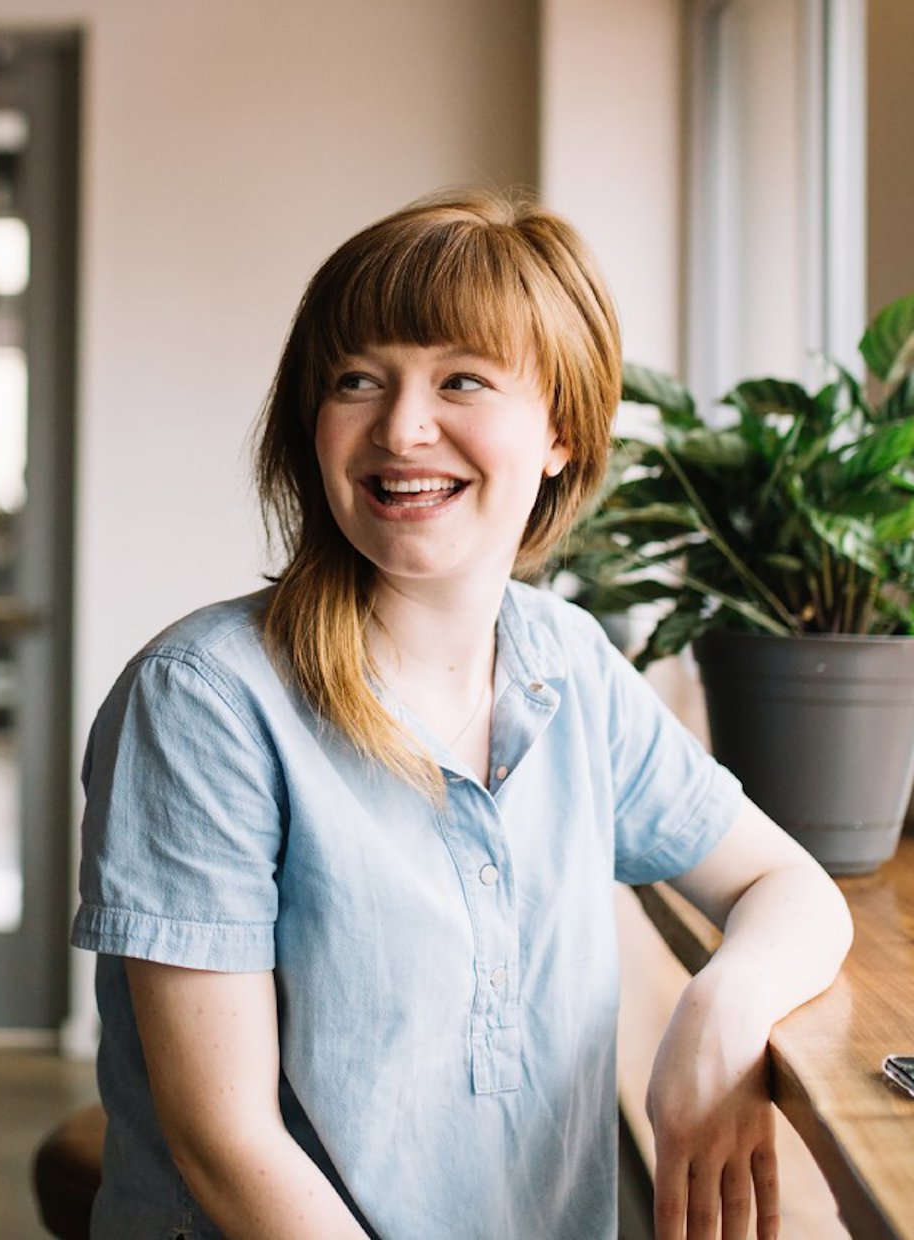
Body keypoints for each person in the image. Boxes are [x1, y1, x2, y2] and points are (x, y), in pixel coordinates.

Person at [73, 191, 852, 1240]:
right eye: (356, 379)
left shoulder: (566, 663)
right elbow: (227, 1145)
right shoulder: (203, 699)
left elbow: (787, 886)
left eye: (460, 381)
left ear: (559, 434)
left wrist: (721, 1005)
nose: (400, 427)